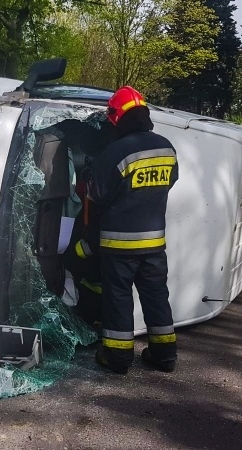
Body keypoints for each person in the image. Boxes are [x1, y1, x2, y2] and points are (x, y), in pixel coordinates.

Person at [87, 86, 179, 374]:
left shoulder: (115, 151)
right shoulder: (166, 147)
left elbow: (96, 194)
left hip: (119, 244)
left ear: (117, 116)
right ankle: (164, 355)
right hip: (154, 242)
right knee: (156, 295)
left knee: (118, 298)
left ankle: (117, 358)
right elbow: (170, 181)